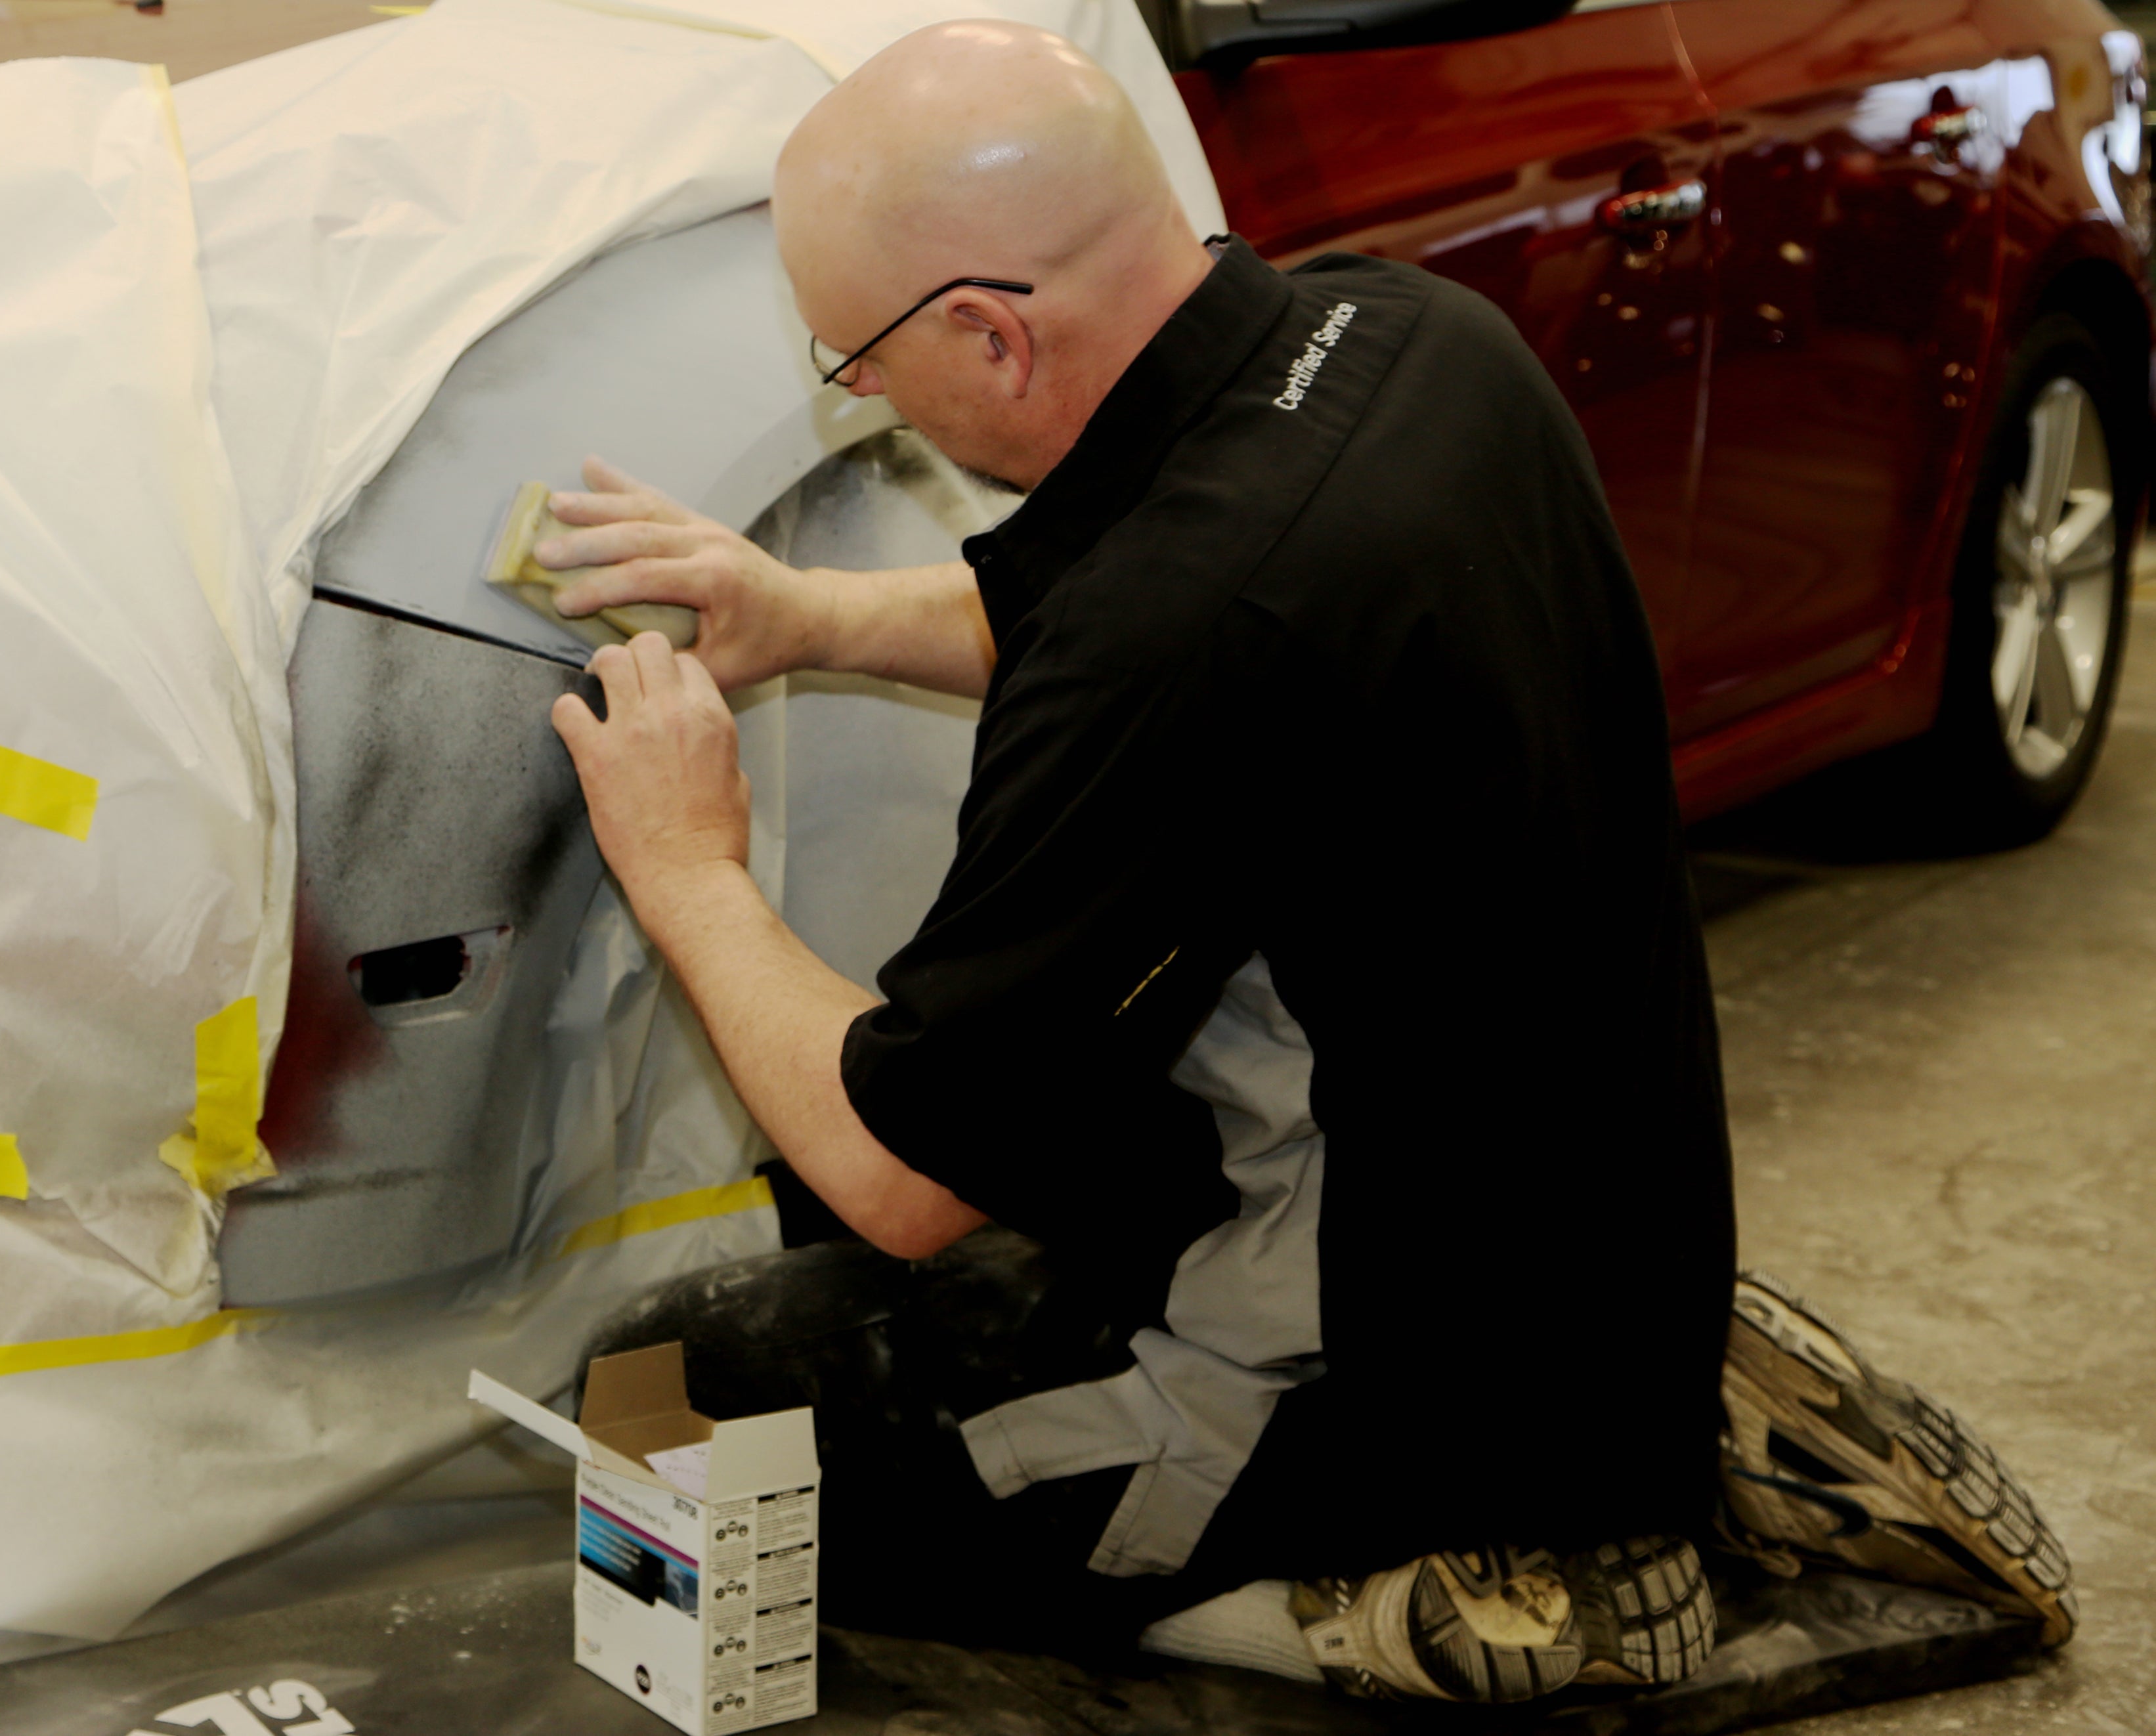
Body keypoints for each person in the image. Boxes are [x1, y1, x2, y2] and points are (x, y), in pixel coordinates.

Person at [536, 18, 1742, 1703]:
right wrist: (806, 615)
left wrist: (687, 864)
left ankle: (1416, 1597)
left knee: (688, 1397)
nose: (858, 394)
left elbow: (900, 1167)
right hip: (1596, 1270)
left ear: (988, 331)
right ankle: (1607, 1466)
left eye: (856, 359)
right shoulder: (1410, 336)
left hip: (1368, 1393)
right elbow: (1120, 607)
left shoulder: (1178, 635)